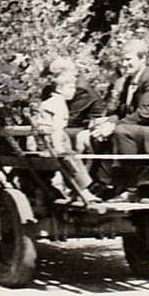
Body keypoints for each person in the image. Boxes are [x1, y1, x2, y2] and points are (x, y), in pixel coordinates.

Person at [90, 38, 149, 197]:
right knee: (99, 131)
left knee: (121, 131)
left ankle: (131, 187)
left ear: (143, 58)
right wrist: (106, 123)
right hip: (144, 131)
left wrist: (114, 126)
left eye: (128, 59)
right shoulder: (129, 81)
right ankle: (101, 184)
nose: (124, 63)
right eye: (122, 59)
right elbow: (123, 112)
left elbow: (145, 113)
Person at [32, 56, 96, 201]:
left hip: (43, 142)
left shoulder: (49, 101)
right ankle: (83, 190)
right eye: (71, 88)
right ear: (60, 88)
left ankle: (75, 190)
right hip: (53, 142)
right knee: (71, 158)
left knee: (70, 155)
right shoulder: (60, 106)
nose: (74, 91)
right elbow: (57, 128)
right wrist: (58, 147)